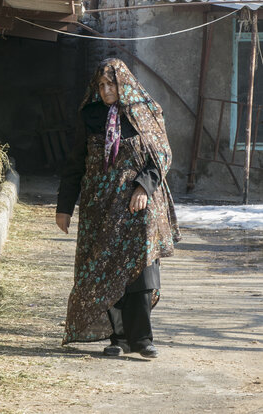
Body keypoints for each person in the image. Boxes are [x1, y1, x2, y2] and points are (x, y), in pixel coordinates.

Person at [55, 58, 181, 358]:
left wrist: (143, 187)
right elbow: (75, 163)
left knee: (140, 270)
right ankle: (118, 338)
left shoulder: (143, 113)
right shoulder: (90, 115)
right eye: (100, 85)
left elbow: (162, 155)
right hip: (99, 206)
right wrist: (64, 207)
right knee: (104, 267)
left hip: (138, 205)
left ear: (122, 83)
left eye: (110, 84)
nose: (106, 89)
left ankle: (142, 340)